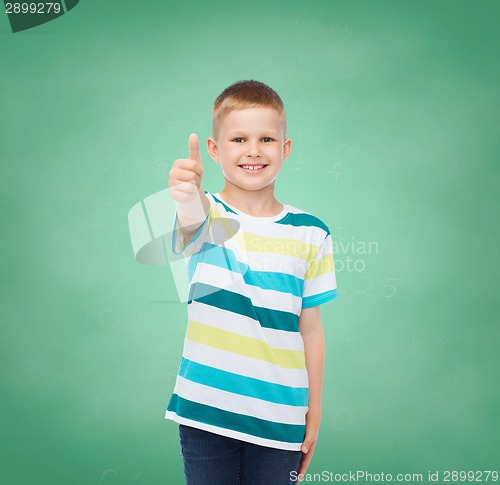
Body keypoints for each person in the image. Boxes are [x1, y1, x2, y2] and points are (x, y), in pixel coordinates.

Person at [165, 80, 338, 485]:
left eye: (266, 139)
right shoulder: (207, 217)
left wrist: (314, 408)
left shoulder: (312, 232)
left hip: (282, 417)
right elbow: (191, 214)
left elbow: (310, 329)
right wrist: (185, 192)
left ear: (285, 148)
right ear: (214, 149)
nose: (253, 150)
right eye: (239, 138)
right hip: (206, 412)